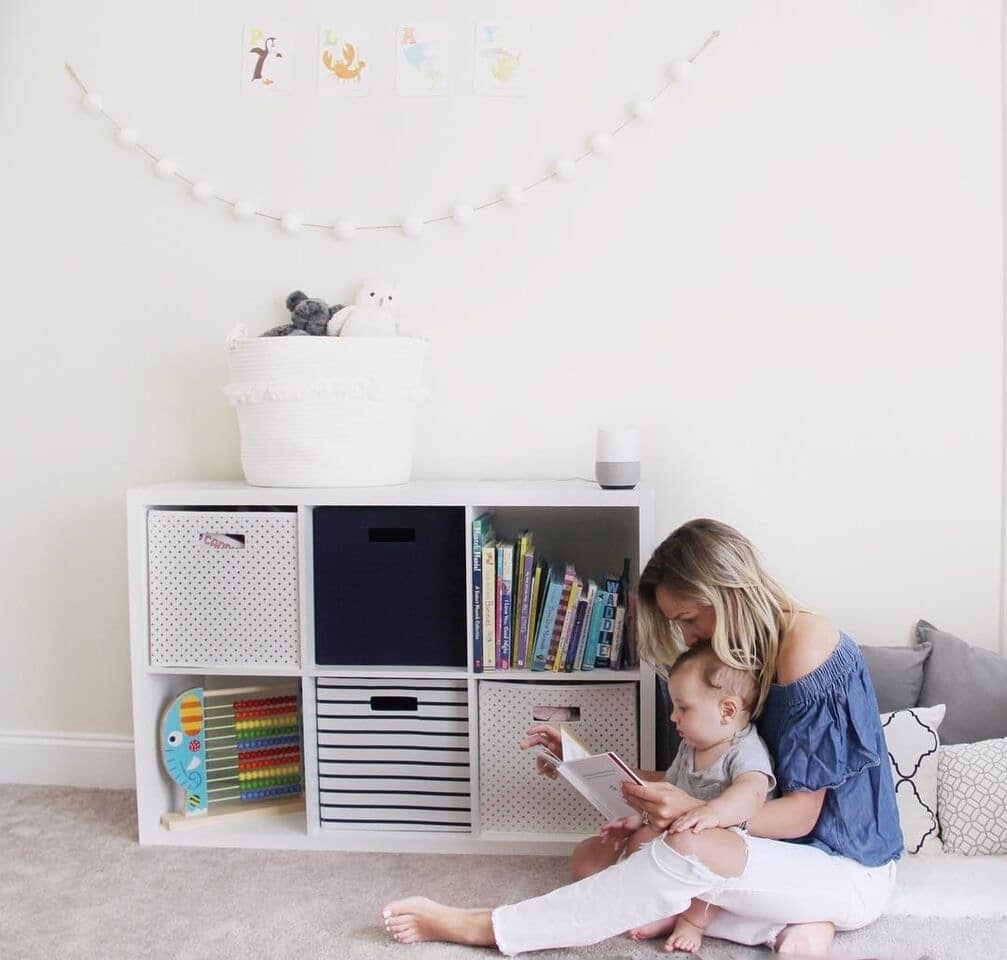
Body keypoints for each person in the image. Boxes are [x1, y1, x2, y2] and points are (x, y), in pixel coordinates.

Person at [382, 518, 903, 956]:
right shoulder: (743, 661)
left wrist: (692, 816)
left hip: (843, 869)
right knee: (616, 859)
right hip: (768, 863)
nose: (689, 639)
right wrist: (582, 763)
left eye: (689, 620)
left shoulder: (804, 646)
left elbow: (800, 815)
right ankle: (785, 926)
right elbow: (705, 784)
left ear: (727, 591)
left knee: (679, 848)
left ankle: (485, 927)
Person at [598, 641, 776, 953]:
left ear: (727, 710)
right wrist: (639, 819)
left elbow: (752, 793)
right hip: (683, 832)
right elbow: (669, 790)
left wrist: (713, 813)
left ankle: (690, 922)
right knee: (635, 844)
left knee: (711, 883)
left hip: (726, 842)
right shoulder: (690, 747)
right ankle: (661, 906)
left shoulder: (744, 750)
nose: (672, 718)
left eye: (683, 708)